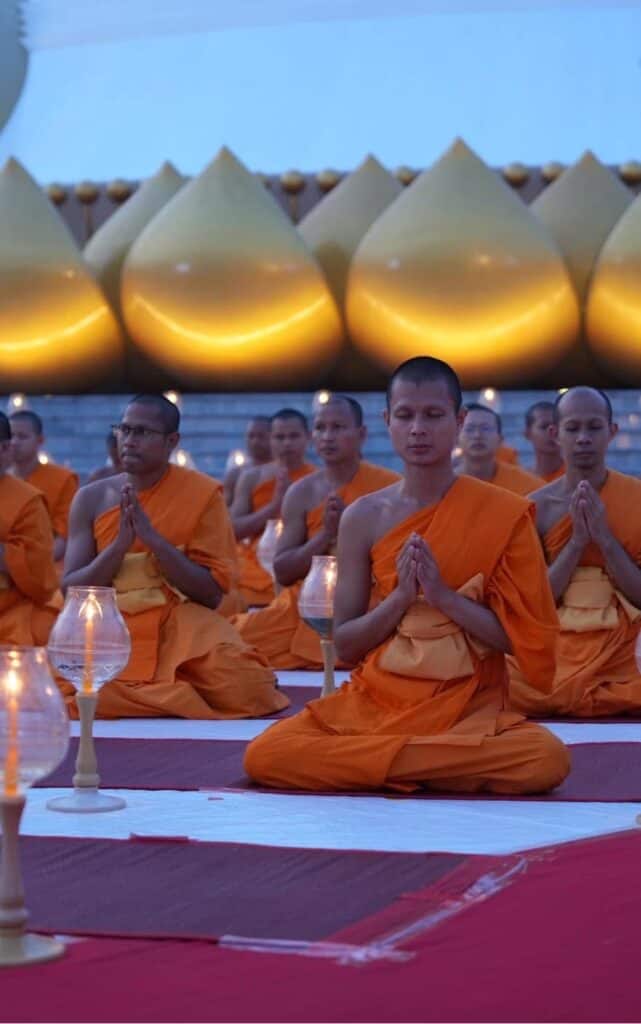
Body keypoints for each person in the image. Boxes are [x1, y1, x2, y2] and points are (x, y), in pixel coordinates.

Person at [244, 357, 569, 795]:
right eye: (405, 415)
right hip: (379, 699)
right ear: (387, 422)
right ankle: (431, 762)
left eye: (433, 415)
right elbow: (347, 643)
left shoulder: (503, 513)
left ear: (458, 421)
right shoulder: (364, 516)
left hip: (466, 707)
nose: (418, 429)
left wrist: (444, 597)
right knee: (266, 754)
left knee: (545, 758)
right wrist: (400, 599)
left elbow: (520, 639)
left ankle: (381, 761)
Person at [60, 394, 288, 720]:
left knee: (248, 687)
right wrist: (118, 548)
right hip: (110, 623)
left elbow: (211, 595)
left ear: (172, 441)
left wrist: (154, 541)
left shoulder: (201, 494)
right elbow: (71, 591)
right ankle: (167, 693)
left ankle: (135, 694)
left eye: (142, 432)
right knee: (57, 682)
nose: (129, 440)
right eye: (124, 430)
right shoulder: (91, 498)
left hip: (178, 620)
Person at [232, 395, 399, 668]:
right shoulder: (301, 492)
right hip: (309, 603)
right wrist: (325, 535)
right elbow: (283, 571)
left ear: (361, 434)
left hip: (367, 602)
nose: (328, 437)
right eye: (321, 428)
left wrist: (352, 533)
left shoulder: (389, 487)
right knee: (232, 642)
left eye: (338, 427)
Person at [509, 386, 641, 717]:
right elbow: (534, 601)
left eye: (594, 427)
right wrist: (577, 542)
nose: (583, 438)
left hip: (623, 640)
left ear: (612, 432)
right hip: (558, 637)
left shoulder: (636, 498)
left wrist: (605, 539)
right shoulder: (536, 508)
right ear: (556, 434)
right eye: (573, 428)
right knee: (499, 677)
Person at [231, 409, 315, 607]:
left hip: (299, 561)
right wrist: (273, 507)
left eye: (294, 436)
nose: (287, 443)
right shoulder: (252, 478)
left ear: (308, 438)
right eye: (280, 437)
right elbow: (231, 529)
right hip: (254, 564)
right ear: (270, 439)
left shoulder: (318, 480)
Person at [0, 412, 58, 644]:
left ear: (5, 449)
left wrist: (4, 553)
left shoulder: (26, 501)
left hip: (9, 613)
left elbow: (41, 577)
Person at [10, 410, 79, 564]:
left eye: (22, 436)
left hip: (47, 565)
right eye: (11, 436)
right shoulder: (3, 481)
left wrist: (32, 567)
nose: (14, 442)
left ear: (40, 440)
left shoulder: (63, 479)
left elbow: (64, 534)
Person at [457, 404, 542, 496]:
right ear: (456, 438)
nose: (477, 435)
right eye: (469, 429)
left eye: (485, 428)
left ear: (500, 439)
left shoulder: (528, 486)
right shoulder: (448, 484)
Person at [223, 416, 272, 506]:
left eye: (261, 436)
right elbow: (224, 510)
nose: (255, 441)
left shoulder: (283, 471)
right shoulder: (235, 475)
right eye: (251, 436)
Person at [524, 401, 564, 482]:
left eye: (556, 426)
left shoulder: (576, 475)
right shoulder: (521, 479)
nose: (552, 432)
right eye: (544, 427)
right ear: (527, 433)